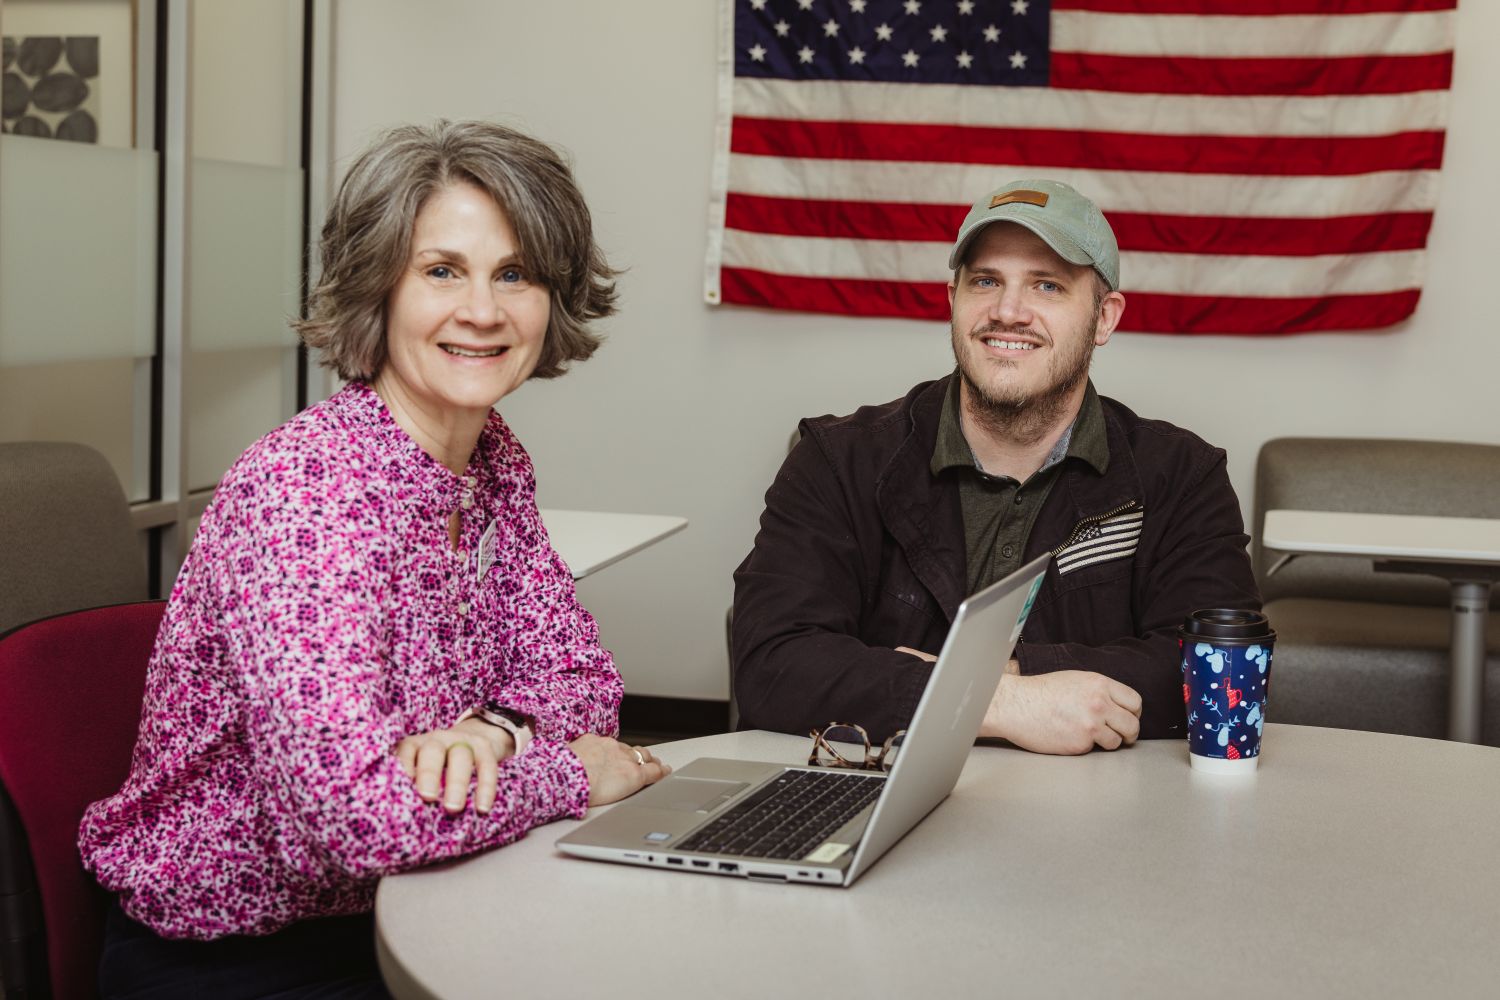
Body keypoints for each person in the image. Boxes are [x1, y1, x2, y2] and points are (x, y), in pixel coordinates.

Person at [80, 120, 669, 998]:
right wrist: (570, 771)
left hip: (425, 892)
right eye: (442, 271)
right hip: (241, 950)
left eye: (515, 273)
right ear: (378, 290)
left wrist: (491, 732)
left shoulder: (491, 460)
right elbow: (354, 818)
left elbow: (580, 677)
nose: (483, 309)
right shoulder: (306, 490)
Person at [731, 179, 1260, 756]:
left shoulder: (1182, 476)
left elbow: (1220, 674)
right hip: (875, 802)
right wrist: (998, 701)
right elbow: (771, 663)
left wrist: (983, 673)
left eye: (1047, 285)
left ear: (1103, 319)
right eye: (986, 281)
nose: (1008, 312)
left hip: (1093, 814)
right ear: (952, 299)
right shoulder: (837, 459)